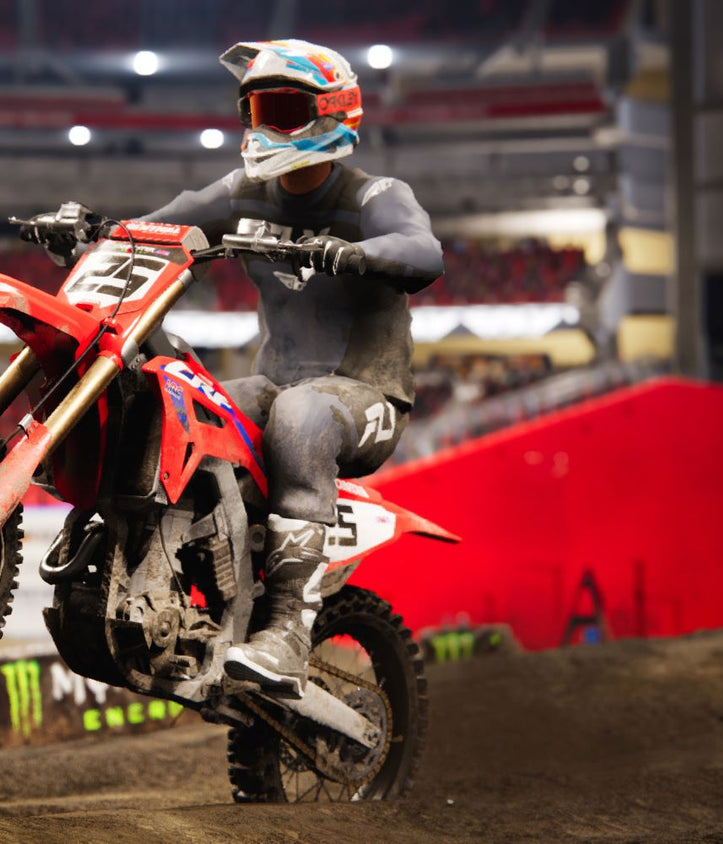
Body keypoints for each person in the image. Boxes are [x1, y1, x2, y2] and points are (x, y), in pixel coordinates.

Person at [137, 39, 447, 696]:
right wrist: (95, 229)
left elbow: (423, 250)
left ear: (331, 112)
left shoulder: (374, 196)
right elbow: (160, 227)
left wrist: (356, 254)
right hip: (274, 387)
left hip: (366, 398)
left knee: (300, 416)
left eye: (283, 110)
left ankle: (287, 632)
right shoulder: (245, 191)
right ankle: (170, 590)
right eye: (258, 110)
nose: (266, 127)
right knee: (184, 406)